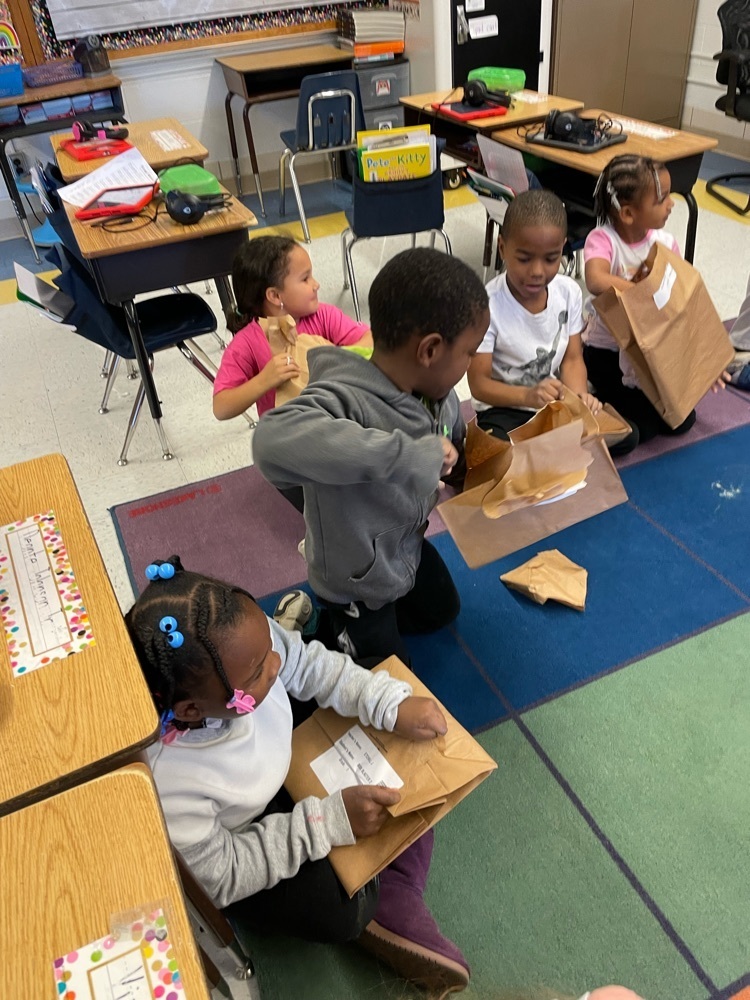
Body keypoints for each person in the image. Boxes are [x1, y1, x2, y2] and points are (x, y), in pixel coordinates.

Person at [125, 557, 471, 997]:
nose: (274, 665)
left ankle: (387, 872)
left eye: (269, 644)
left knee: (368, 679)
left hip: (272, 755)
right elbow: (222, 874)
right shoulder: (166, 781)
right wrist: (327, 822)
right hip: (243, 827)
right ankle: (384, 892)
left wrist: (386, 702)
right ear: (191, 710)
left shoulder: (243, 652)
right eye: (256, 672)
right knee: (343, 912)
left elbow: (303, 662)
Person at [252, 247, 490, 666]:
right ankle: (320, 632)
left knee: (442, 612)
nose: (471, 363)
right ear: (430, 351)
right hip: (355, 579)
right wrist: (408, 456)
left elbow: (450, 458)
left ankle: (375, 621)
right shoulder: (345, 396)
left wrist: (478, 470)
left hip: (404, 547)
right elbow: (269, 442)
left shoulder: (441, 396)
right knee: (391, 678)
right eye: (469, 352)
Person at [466, 189, 637, 454]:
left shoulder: (568, 292)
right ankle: (550, 452)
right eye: (524, 259)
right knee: (495, 454)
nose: (537, 272)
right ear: (503, 248)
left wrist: (579, 397)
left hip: (552, 406)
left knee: (628, 435)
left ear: (562, 250)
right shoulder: (487, 305)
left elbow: (571, 359)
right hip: (505, 409)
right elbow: (479, 384)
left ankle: (550, 451)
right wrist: (527, 396)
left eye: (550, 259)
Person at [582, 154, 727, 443]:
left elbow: (682, 303)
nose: (671, 204)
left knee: (682, 422)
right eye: (661, 200)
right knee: (644, 430)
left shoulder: (664, 243)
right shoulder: (604, 239)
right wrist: (641, 292)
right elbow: (596, 279)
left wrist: (704, 360)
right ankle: (595, 396)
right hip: (607, 352)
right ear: (627, 213)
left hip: (649, 352)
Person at [212, 235, 372, 422]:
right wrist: (264, 380)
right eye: (305, 279)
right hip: (286, 436)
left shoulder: (323, 315)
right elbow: (221, 407)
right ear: (275, 296)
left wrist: (334, 358)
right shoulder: (247, 342)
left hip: (340, 422)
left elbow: (370, 340)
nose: (316, 284)